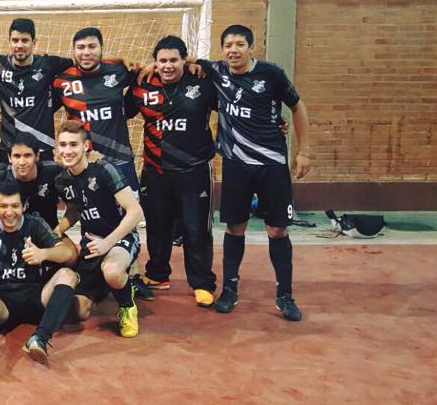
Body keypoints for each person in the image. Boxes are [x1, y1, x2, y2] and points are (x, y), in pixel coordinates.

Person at [196, 24, 312, 321]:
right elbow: (183, 62)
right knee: (235, 228)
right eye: (228, 45)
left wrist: (304, 151)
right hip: (235, 164)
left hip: (272, 164)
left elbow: (297, 108)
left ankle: (285, 296)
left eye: (239, 44)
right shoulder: (216, 72)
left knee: (277, 229)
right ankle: (230, 290)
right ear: (222, 50)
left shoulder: (271, 74)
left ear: (251, 48)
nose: (233, 50)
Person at [0, 181, 78, 379]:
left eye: (15, 206)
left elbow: (66, 252)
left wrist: (42, 253)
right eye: (4, 206)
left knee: (68, 275)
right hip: (4, 301)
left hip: (37, 297)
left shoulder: (35, 225)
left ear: (24, 206)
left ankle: (39, 339)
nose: (9, 212)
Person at [124, 35, 218, 307]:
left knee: (196, 229)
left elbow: (231, 106)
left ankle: (202, 283)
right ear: (155, 62)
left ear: (184, 60)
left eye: (174, 60)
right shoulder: (142, 86)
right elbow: (121, 112)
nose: (167, 66)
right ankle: (157, 274)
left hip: (194, 170)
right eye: (162, 61)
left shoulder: (201, 84)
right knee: (156, 225)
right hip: (155, 170)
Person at [52, 120, 145, 338]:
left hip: (119, 239)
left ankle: (127, 306)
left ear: (86, 146)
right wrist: (57, 231)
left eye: (73, 144)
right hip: (91, 245)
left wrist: (108, 242)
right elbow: (75, 210)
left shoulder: (104, 169)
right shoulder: (62, 180)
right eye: (63, 145)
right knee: (79, 312)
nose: (67, 150)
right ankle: (106, 287)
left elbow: (135, 211)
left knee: (112, 270)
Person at [0, 18, 73, 163]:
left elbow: (79, 66)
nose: (19, 45)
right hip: (8, 148)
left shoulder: (48, 64)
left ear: (34, 42)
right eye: (15, 40)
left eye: (25, 40)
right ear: (9, 41)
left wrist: (51, 106)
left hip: (41, 147)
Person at [53, 27, 140, 190]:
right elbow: (42, 106)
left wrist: (192, 62)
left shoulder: (120, 70)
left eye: (92, 46)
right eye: (81, 47)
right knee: (87, 213)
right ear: (73, 51)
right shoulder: (62, 81)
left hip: (120, 158)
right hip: (84, 161)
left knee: (132, 210)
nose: (86, 52)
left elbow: (155, 72)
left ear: (101, 48)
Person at [0, 132, 63, 231]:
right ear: (9, 157)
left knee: (69, 247)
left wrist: (59, 229)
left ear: (37, 156)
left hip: (46, 230)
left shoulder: (53, 171)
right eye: (17, 156)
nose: (22, 162)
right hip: (5, 232)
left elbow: (73, 204)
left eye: (27, 155)